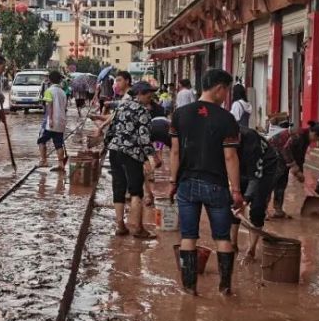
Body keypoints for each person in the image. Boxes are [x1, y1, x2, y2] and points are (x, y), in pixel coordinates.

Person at [169, 68, 243, 295]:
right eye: (226, 90)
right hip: (216, 185)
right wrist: (237, 190)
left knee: (188, 236)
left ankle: (189, 288)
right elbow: (230, 156)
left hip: (187, 183)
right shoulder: (227, 118)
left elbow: (174, 152)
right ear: (219, 88)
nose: (226, 95)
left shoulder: (180, 114)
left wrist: (173, 183)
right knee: (222, 237)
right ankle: (225, 288)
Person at [106, 81, 156, 239]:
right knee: (136, 191)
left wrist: (108, 145)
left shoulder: (121, 106)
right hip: (132, 154)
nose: (151, 97)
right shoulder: (143, 111)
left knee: (118, 188)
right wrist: (151, 156)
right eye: (148, 93)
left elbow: (111, 129)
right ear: (140, 93)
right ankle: (138, 228)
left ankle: (120, 226)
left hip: (115, 151)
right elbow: (144, 137)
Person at [234, 128, 278, 263]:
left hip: (265, 168)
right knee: (233, 203)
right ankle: (232, 244)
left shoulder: (251, 142)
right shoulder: (223, 140)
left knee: (257, 207)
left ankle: (251, 250)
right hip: (242, 166)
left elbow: (256, 177)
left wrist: (245, 200)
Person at [267, 121, 319, 218]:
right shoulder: (299, 135)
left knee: (282, 184)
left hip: (284, 158)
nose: (316, 141)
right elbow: (286, 149)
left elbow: (300, 156)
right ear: (314, 134)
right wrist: (294, 167)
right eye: (317, 138)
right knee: (271, 183)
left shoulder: (306, 138)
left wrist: (300, 173)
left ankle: (278, 210)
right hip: (273, 155)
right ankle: (262, 210)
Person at [38, 70, 68, 171]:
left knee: (41, 140)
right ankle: (61, 164)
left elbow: (49, 106)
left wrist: (50, 119)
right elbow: (64, 108)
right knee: (59, 143)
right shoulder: (63, 92)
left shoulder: (49, 91)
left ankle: (43, 161)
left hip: (51, 122)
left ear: (50, 80)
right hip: (61, 121)